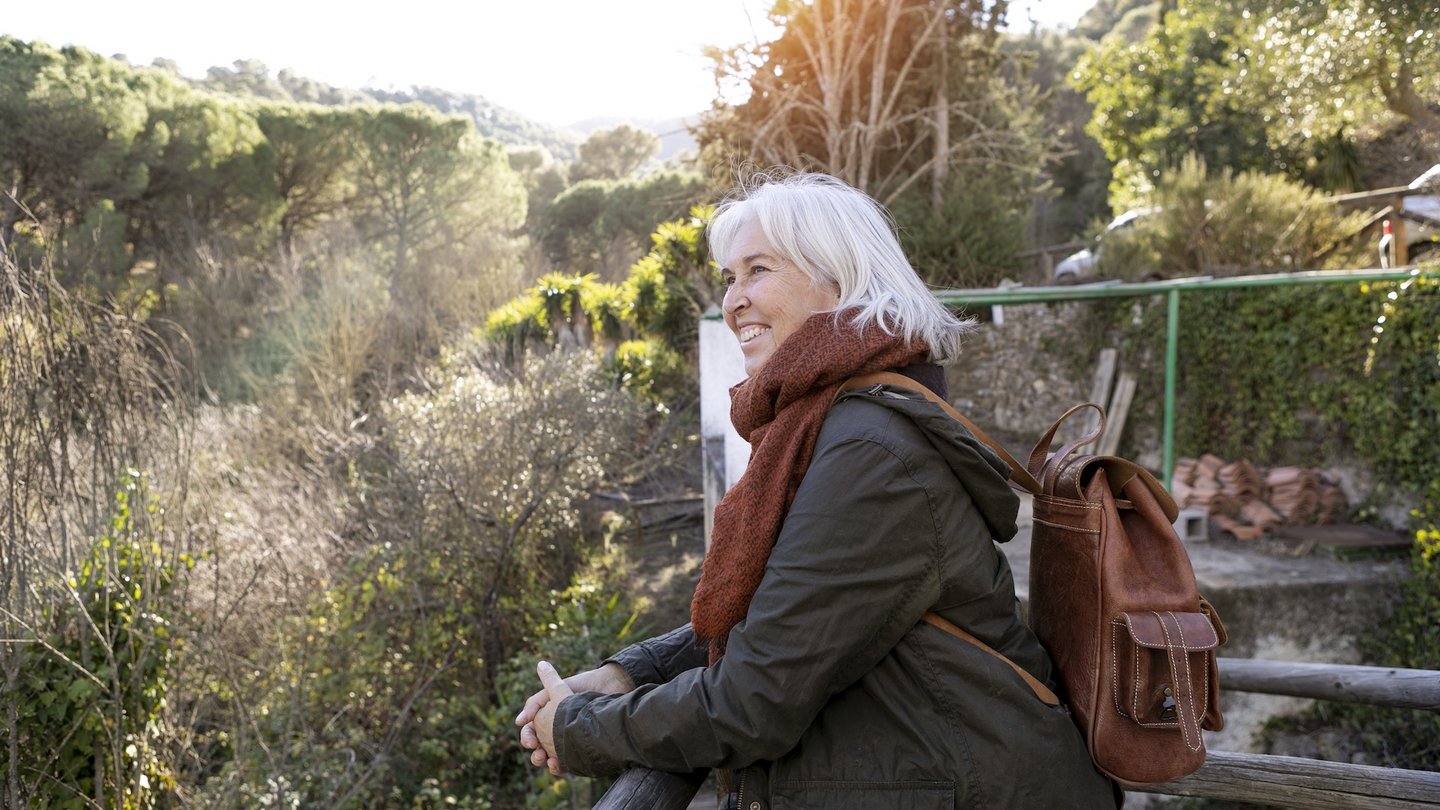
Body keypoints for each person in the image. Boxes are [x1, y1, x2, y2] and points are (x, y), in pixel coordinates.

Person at [515, 171, 1117, 808]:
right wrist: (627, 674)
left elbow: (754, 699)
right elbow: (787, 612)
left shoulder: (870, 450)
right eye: (729, 278)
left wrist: (580, 730)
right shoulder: (827, 424)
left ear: (839, 279)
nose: (734, 301)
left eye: (758, 271)